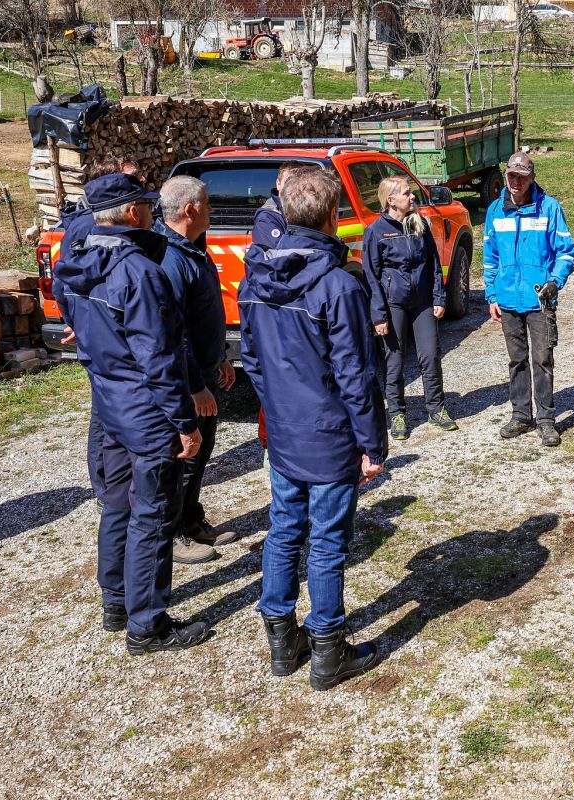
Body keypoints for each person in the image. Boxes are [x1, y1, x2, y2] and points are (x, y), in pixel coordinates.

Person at [239, 165, 387, 688]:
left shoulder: (255, 277)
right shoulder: (338, 286)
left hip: (285, 429)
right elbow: (357, 375)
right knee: (324, 541)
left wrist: (279, 406)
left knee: (284, 530)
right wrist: (372, 444)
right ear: (332, 216)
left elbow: (251, 358)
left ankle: (283, 638)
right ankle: (326, 647)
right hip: (326, 433)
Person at [53, 172, 210, 655]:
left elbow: (64, 299)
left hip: (109, 403)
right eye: (144, 203)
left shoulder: (77, 258)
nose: (150, 210)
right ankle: (147, 625)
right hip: (145, 411)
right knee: (153, 515)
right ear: (130, 212)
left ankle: (116, 601)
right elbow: (159, 359)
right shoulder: (139, 273)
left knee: (118, 504)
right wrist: (184, 423)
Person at [154, 176, 238, 564]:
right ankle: (173, 534)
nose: (212, 209)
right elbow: (175, 333)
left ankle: (191, 521)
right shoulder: (170, 260)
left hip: (206, 372)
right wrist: (194, 386)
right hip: (189, 384)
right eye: (207, 202)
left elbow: (205, 315)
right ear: (190, 209)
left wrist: (220, 357)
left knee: (201, 454)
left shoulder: (192, 249)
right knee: (183, 459)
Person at [56, 156, 143, 504]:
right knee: (104, 413)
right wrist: (77, 322)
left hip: (112, 329)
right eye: (133, 177)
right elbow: (65, 281)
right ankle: (106, 487)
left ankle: (121, 481)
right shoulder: (85, 226)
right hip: (102, 333)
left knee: (115, 408)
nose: (141, 181)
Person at [482, 151, 574, 447]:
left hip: (540, 300)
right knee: (517, 360)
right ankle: (521, 415)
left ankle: (546, 420)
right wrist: (492, 295)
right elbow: (490, 258)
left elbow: (567, 252)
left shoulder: (549, 208)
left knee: (542, 359)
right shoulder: (495, 211)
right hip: (508, 300)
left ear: (532, 178)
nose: (516, 182)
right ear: (506, 175)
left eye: (522, 177)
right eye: (511, 175)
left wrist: (555, 282)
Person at [362, 175, 457, 440]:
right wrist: (378, 315)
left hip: (423, 302)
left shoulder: (420, 224)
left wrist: (438, 298)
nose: (412, 196)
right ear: (391, 200)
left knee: (431, 355)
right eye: (407, 193)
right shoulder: (376, 231)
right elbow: (371, 276)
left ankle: (436, 409)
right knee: (394, 361)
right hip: (394, 304)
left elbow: (434, 263)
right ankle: (396, 414)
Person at [252, 160, 310, 248]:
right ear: (278, 184)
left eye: (299, 184)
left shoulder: (310, 209)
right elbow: (280, 254)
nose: (293, 188)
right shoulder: (268, 217)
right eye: (288, 183)